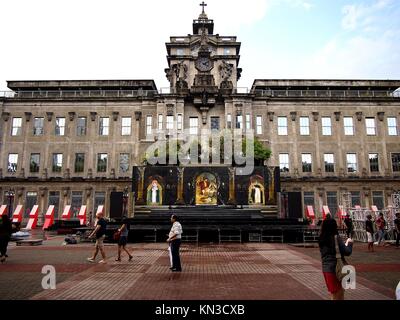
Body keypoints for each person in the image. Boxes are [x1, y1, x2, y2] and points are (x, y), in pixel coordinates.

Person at [318, 214, 353, 300]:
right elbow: (347, 252)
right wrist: (350, 243)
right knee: (338, 294)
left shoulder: (321, 239)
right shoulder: (336, 238)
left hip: (326, 269)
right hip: (337, 269)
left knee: (334, 294)